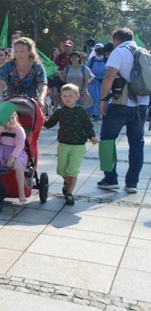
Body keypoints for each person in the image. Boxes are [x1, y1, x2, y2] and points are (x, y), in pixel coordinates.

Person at [97, 27, 149, 193]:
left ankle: (110, 179)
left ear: (116, 40)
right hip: (141, 104)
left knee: (107, 140)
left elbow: (110, 76)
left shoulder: (119, 51)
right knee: (136, 144)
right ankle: (132, 183)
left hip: (120, 103)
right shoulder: (145, 52)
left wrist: (103, 100)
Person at [43, 84, 97, 205]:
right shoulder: (59, 111)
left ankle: (69, 193)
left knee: (72, 170)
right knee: (62, 170)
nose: (67, 98)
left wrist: (92, 137)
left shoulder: (81, 111)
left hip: (78, 145)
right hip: (63, 144)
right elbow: (48, 124)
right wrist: (40, 116)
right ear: (61, 97)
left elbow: (88, 127)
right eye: (64, 96)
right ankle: (67, 183)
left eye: (70, 96)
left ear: (77, 97)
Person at [0, 37, 48, 108]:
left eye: (22, 51)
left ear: (30, 51)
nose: (18, 54)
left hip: (31, 105)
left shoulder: (37, 66)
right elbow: (1, 82)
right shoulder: (8, 65)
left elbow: (42, 84)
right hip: (10, 103)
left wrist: (41, 98)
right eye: (16, 51)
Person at [86, 44, 107, 120]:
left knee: (104, 98)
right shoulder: (92, 59)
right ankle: (95, 113)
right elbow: (87, 69)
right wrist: (91, 78)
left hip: (104, 82)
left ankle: (101, 113)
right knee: (95, 97)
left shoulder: (106, 59)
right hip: (94, 81)